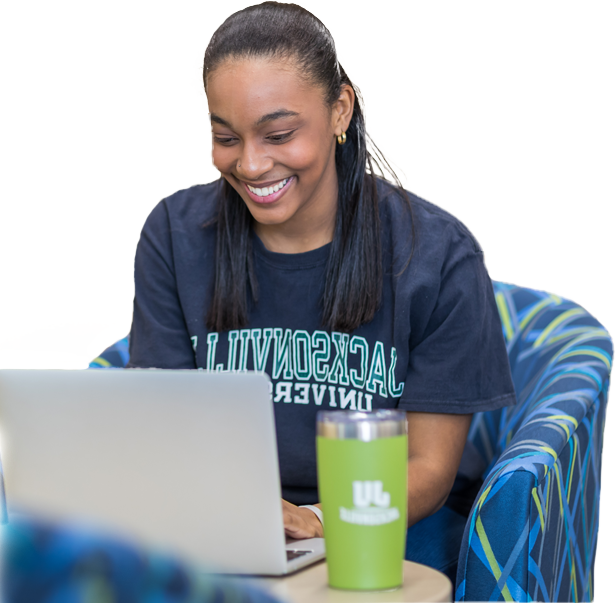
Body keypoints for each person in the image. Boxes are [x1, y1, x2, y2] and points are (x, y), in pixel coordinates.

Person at [127, 1, 516, 582]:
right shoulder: (174, 236)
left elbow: (427, 467)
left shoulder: (437, 256)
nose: (252, 164)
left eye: (279, 133)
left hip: (388, 529)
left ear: (340, 108)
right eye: (225, 136)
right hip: (225, 531)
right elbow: (158, 431)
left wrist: (315, 520)